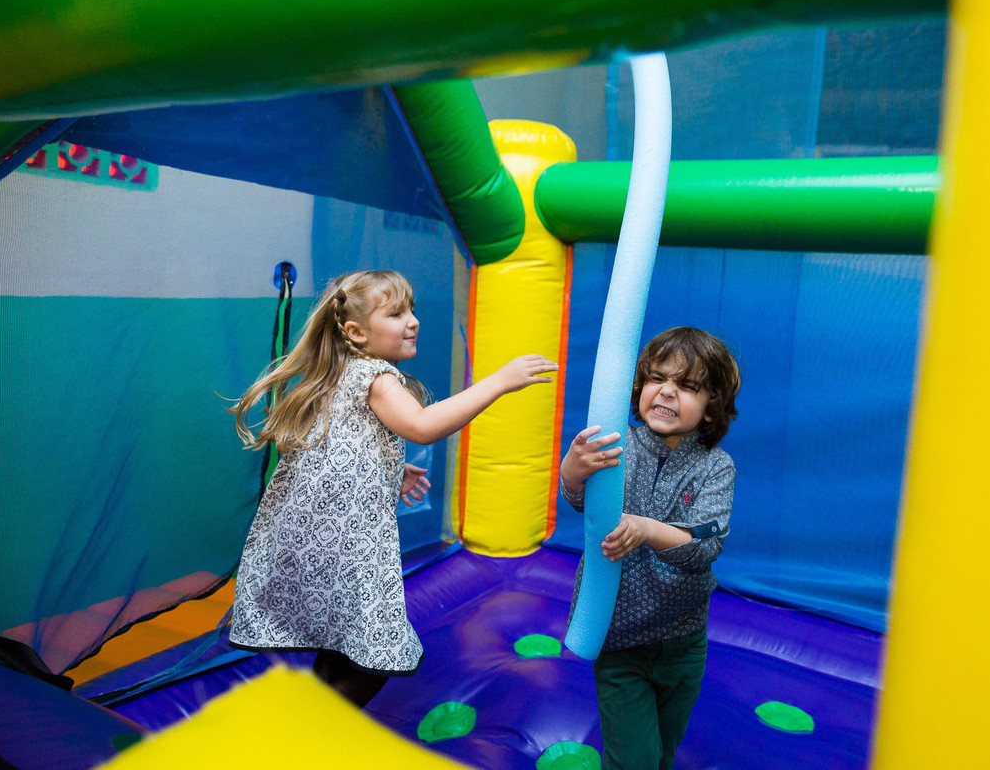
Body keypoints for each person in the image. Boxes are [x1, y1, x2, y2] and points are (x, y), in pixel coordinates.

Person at [229, 270, 557, 708]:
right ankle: (319, 725)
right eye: (397, 313)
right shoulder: (377, 375)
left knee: (343, 640)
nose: (413, 320)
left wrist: (389, 470)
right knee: (379, 651)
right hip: (349, 544)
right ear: (356, 332)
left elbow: (338, 445)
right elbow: (421, 426)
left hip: (312, 535)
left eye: (412, 309)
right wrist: (498, 381)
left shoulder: (340, 371)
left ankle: (316, 711)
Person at [559, 326, 741, 770]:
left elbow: (704, 547)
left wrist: (646, 529)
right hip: (620, 641)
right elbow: (582, 501)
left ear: (712, 407)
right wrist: (573, 470)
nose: (667, 392)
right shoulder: (617, 445)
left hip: (682, 641)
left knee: (661, 753)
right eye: (657, 378)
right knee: (633, 760)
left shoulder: (716, 467)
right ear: (639, 385)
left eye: (687, 386)